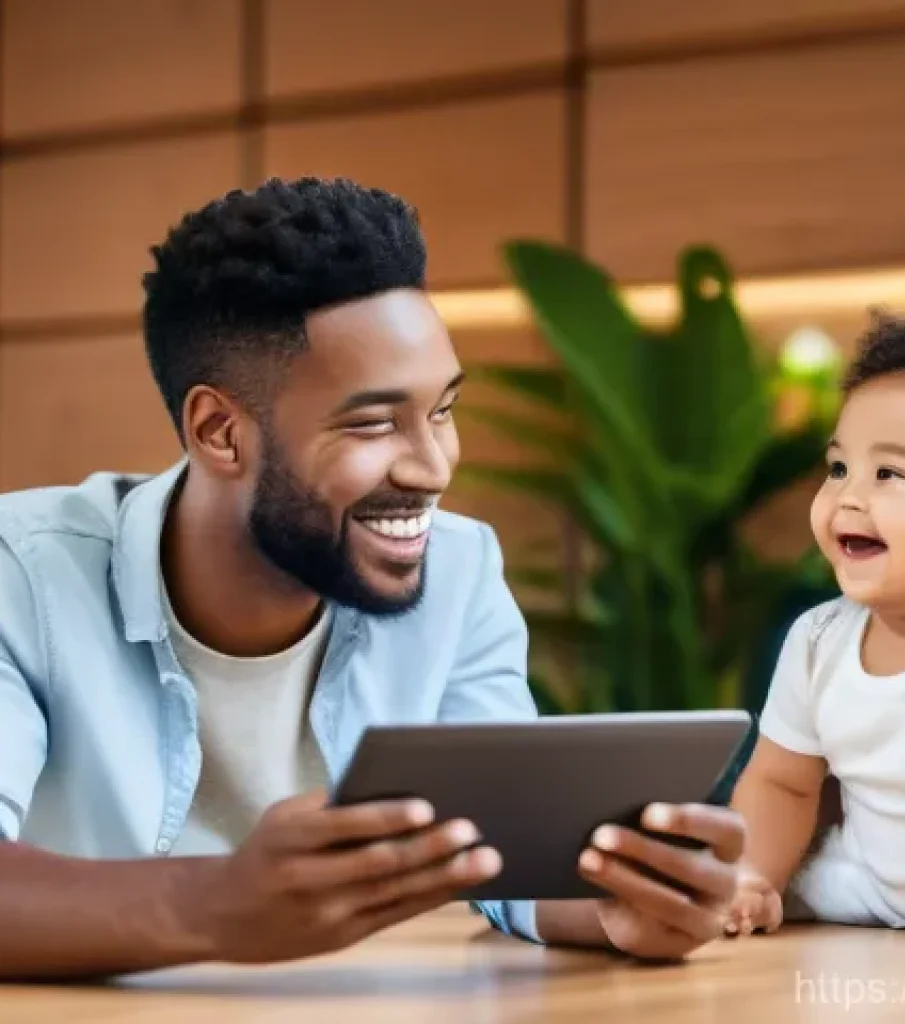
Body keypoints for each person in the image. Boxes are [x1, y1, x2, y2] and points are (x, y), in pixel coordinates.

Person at [0, 176, 744, 980]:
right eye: (373, 422)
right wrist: (211, 904)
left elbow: (504, 857)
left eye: (443, 410)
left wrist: (613, 906)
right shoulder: (23, 574)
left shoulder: (458, 572)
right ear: (220, 432)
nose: (433, 467)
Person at [725, 293, 905, 956]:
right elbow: (781, 781)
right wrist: (751, 876)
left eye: (889, 473)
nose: (847, 497)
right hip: (862, 901)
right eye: (838, 468)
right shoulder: (818, 640)